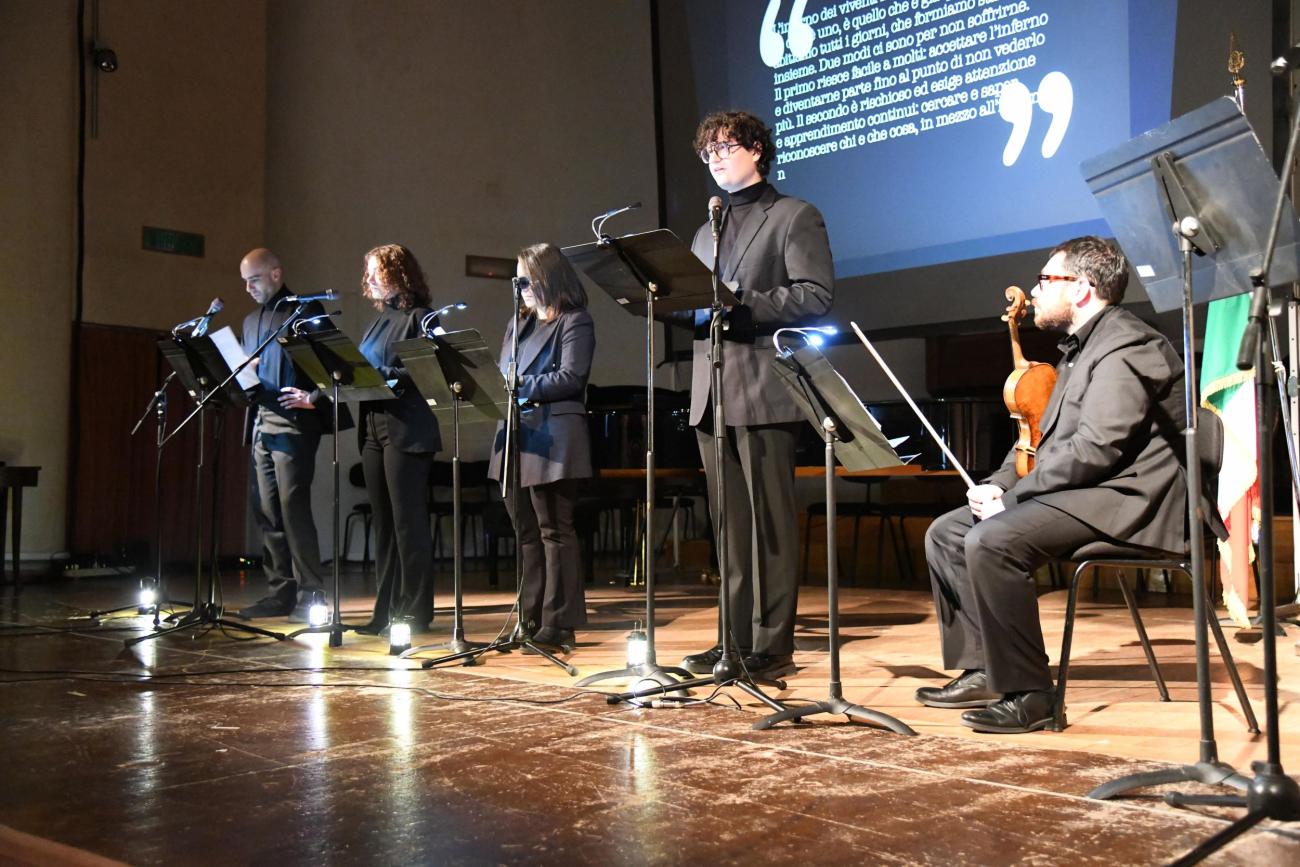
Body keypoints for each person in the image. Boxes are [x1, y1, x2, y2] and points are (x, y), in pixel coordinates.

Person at [918, 236, 1187, 733]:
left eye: (1046, 280)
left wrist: (1013, 500)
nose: (1035, 292)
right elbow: (1043, 442)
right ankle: (985, 668)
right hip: (1091, 492)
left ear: (1082, 288)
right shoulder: (1079, 350)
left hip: (1130, 498)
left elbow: (1097, 449)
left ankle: (1032, 695)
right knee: (949, 532)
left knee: (994, 540)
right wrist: (996, 485)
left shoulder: (1127, 344)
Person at [679, 110, 834, 679]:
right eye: (708, 151)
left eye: (726, 147)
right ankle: (731, 641)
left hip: (763, 387)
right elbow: (697, 305)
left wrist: (742, 301)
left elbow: (815, 296)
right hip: (710, 392)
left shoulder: (793, 215)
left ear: (757, 151)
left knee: (768, 525)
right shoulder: (705, 230)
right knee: (728, 529)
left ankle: (771, 646)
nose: (716, 158)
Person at [487, 243, 595, 650]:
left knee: (554, 531)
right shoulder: (520, 325)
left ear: (549, 277)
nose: (523, 287)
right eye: (518, 280)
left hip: (555, 438)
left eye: (528, 279)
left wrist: (519, 387)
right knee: (527, 533)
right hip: (517, 436)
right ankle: (529, 618)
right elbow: (503, 373)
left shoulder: (575, 322)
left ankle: (559, 622)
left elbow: (572, 378)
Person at [236, 248, 331, 621]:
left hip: (294, 424)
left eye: (254, 279)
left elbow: (333, 365)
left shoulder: (306, 311)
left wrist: (316, 398)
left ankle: (312, 592)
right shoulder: (249, 321)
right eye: (244, 281)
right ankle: (280, 592)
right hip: (261, 421)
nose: (248, 288)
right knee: (266, 510)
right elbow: (248, 377)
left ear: (276, 274)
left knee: (293, 508)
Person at [355, 244, 440, 633]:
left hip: (406, 428)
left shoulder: (420, 318)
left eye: (377, 271)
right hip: (373, 427)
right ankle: (385, 609)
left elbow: (430, 370)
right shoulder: (378, 321)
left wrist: (389, 375)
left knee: (408, 524)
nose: (369, 278)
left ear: (399, 274)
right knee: (384, 524)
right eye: (368, 271)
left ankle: (415, 610)